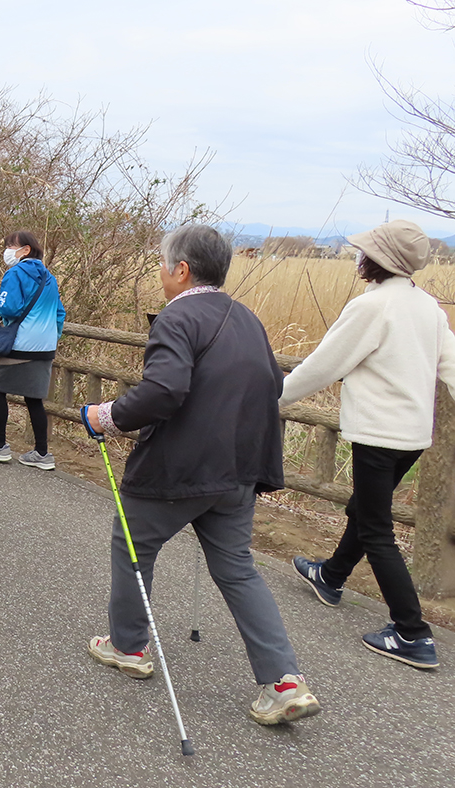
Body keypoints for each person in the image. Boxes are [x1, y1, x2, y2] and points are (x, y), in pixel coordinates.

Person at [83, 223, 320, 726]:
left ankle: (128, 646)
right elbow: (269, 387)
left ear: (182, 269)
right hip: (239, 471)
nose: (161, 272)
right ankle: (283, 681)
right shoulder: (248, 319)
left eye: (164, 264)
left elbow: (165, 389)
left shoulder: (178, 317)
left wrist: (106, 416)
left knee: (132, 546)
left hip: (181, 469)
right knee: (236, 567)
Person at [283, 220, 455, 670]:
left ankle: (412, 633)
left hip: (377, 435)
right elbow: (451, 367)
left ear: (377, 261)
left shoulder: (373, 306)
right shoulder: (429, 308)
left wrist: (272, 396)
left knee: (377, 531)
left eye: (364, 252)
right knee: (364, 512)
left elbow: (324, 365)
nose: (358, 258)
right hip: (413, 437)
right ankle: (332, 576)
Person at [0, 231, 65, 470]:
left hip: (21, 344)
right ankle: (42, 453)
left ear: (25, 250)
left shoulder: (15, 273)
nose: (7, 250)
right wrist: (50, 337)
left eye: (10, 245)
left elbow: (9, 308)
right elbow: (60, 314)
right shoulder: (49, 277)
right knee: (34, 398)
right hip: (45, 345)